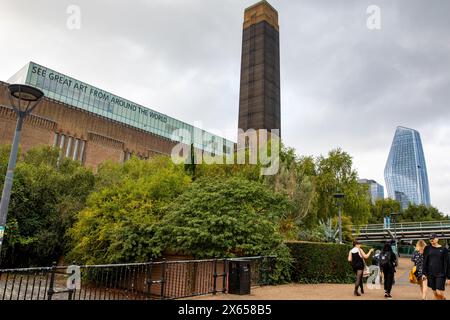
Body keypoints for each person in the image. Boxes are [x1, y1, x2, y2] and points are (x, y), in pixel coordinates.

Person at [422, 233, 450, 300]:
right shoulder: (427, 248)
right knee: (435, 293)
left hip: (441, 274)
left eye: (433, 238)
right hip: (431, 274)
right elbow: (425, 261)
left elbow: (448, 264)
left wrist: (448, 277)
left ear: (437, 239)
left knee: (439, 292)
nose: (431, 240)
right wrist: (424, 273)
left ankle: (443, 298)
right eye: (430, 238)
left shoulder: (444, 250)